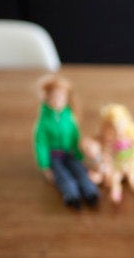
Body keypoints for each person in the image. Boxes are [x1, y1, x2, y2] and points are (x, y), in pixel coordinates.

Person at [33, 75, 99, 210]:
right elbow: (41, 144)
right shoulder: (43, 122)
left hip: (70, 152)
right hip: (55, 156)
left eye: (62, 97)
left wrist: (80, 154)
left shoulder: (69, 115)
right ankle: (71, 196)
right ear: (47, 97)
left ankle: (91, 193)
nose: (58, 101)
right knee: (63, 176)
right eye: (54, 97)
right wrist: (45, 166)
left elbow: (75, 135)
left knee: (81, 171)